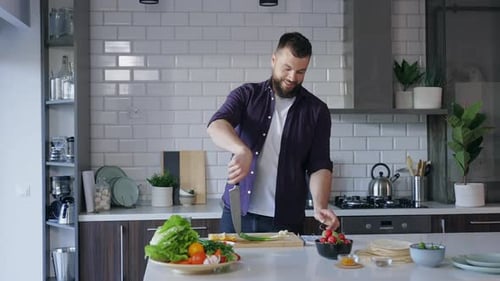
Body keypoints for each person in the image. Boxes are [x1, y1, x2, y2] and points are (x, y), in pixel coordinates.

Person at [207, 32, 339, 234]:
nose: (292, 77)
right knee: (231, 266)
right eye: (287, 68)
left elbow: (319, 165)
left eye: (301, 71)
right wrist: (242, 150)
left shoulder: (317, 111)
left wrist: (320, 205)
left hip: (286, 220)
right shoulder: (247, 95)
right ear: (273, 60)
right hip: (237, 214)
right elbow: (217, 125)